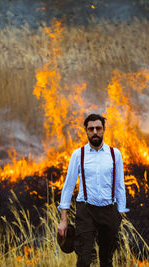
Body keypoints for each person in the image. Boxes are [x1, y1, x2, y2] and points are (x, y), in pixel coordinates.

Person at [57, 113, 129, 267]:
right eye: (91, 129)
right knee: (84, 258)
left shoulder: (114, 154)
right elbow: (68, 186)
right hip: (86, 211)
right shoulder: (78, 155)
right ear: (86, 131)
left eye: (98, 128)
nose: (95, 132)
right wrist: (63, 220)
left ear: (104, 129)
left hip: (109, 210)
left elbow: (120, 185)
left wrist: (120, 213)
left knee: (106, 260)